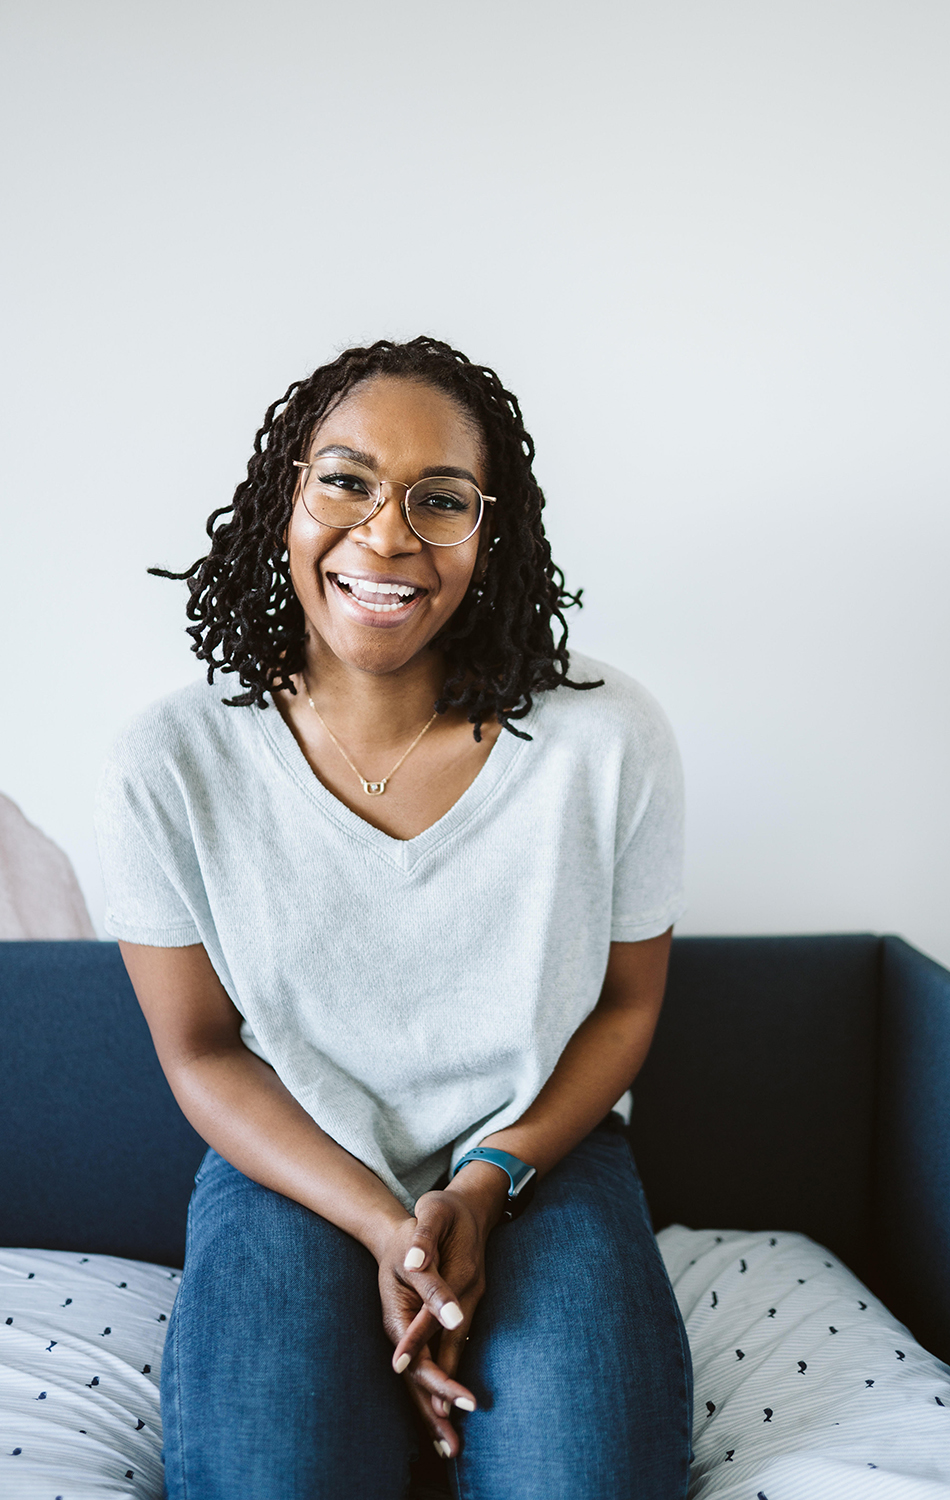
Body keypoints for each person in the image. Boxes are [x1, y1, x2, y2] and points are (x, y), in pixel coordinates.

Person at [95, 336, 693, 1500]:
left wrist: (481, 1185)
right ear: (285, 501)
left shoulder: (608, 741)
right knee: (272, 1478)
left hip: (541, 1159)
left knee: (585, 1478)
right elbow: (201, 1048)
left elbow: (625, 1008)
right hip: (293, 1160)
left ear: (491, 532)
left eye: (441, 500)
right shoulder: (168, 762)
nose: (386, 535)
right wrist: (388, 1230)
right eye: (347, 480)